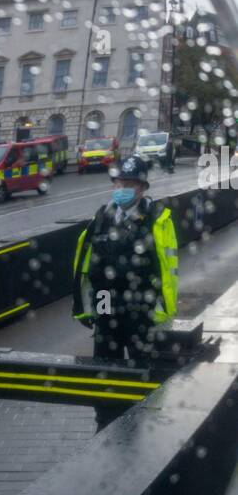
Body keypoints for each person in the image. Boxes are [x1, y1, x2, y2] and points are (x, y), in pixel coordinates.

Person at [72, 154, 178, 429]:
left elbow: (167, 268)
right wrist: (84, 306)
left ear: (142, 188)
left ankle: (142, 419)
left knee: (142, 365)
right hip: (105, 300)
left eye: (130, 183)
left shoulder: (157, 219)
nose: (123, 188)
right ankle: (105, 421)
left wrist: (165, 308)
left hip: (140, 302)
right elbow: (85, 264)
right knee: (105, 364)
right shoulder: (102, 216)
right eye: (120, 182)